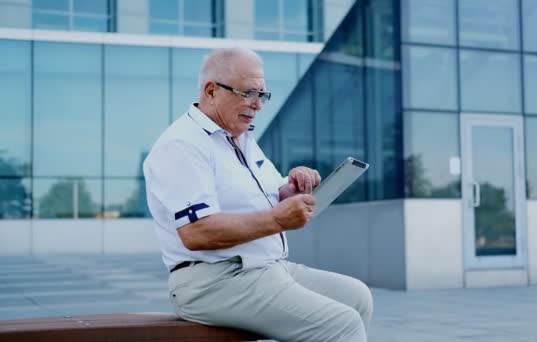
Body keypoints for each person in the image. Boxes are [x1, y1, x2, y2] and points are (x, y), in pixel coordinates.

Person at [143, 47, 373, 342]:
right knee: (341, 323)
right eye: (249, 93)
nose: (258, 105)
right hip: (214, 281)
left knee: (357, 297)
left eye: (262, 95)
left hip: (267, 269)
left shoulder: (241, 138)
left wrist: (292, 189)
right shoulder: (182, 146)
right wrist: (278, 220)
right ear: (211, 91)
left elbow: (271, 197)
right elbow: (197, 232)